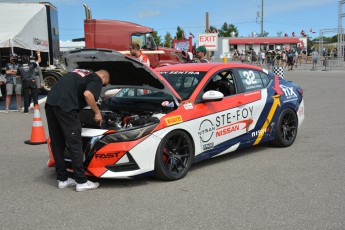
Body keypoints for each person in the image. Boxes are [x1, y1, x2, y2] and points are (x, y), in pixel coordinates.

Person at [45, 69, 110, 191]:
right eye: (104, 84)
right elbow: (88, 94)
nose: (102, 86)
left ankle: (62, 179)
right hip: (66, 107)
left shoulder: (80, 72)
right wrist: (97, 113)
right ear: (104, 77)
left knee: (57, 142)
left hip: (51, 104)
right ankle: (81, 181)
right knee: (75, 143)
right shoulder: (96, 78)